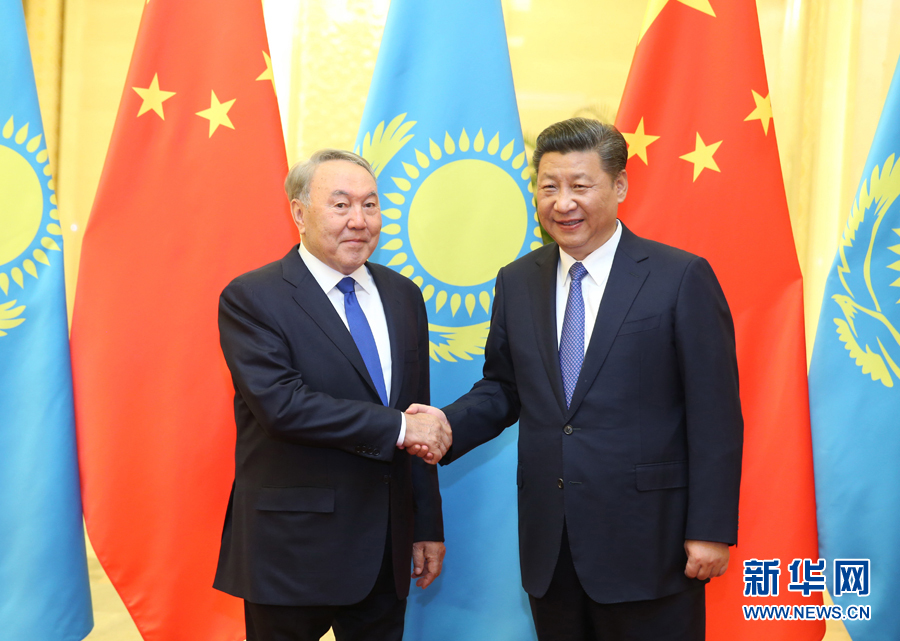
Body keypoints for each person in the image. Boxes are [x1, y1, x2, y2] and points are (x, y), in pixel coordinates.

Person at [408, 118, 743, 641]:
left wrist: (711, 529)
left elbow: (715, 413)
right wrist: (445, 425)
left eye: (580, 186)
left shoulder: (680, 277)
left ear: (620, 187)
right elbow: (504, 388)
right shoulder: (518, 281)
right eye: (549, 187)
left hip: (650, 543)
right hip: (552, 546)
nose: (563, 202)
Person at [213, 149, 451, 641]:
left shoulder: (404, 295)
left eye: (370, 205)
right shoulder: (253, 297)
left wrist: (425, 523)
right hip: (292, 548)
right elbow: (283, 407)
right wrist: (402, 428)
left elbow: (417, 412)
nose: (359, 221)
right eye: (341, 205)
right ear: (299, 213)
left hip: (386, 548)